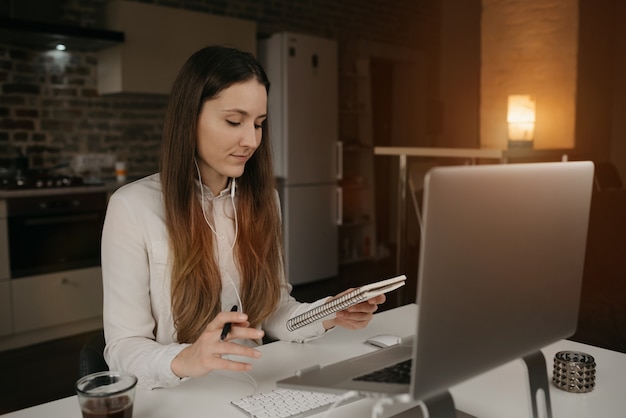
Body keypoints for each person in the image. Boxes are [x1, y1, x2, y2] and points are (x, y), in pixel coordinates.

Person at [101, 45, 386, 390]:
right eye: (234, 121)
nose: (251, 140)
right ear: (189, 117)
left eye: (259, 124)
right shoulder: (132, 207)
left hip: (253, 384)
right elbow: (122, 348)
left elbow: (273, 312)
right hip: (174, 395)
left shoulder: (265, 200)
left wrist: (328, 313)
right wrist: (185, 359)